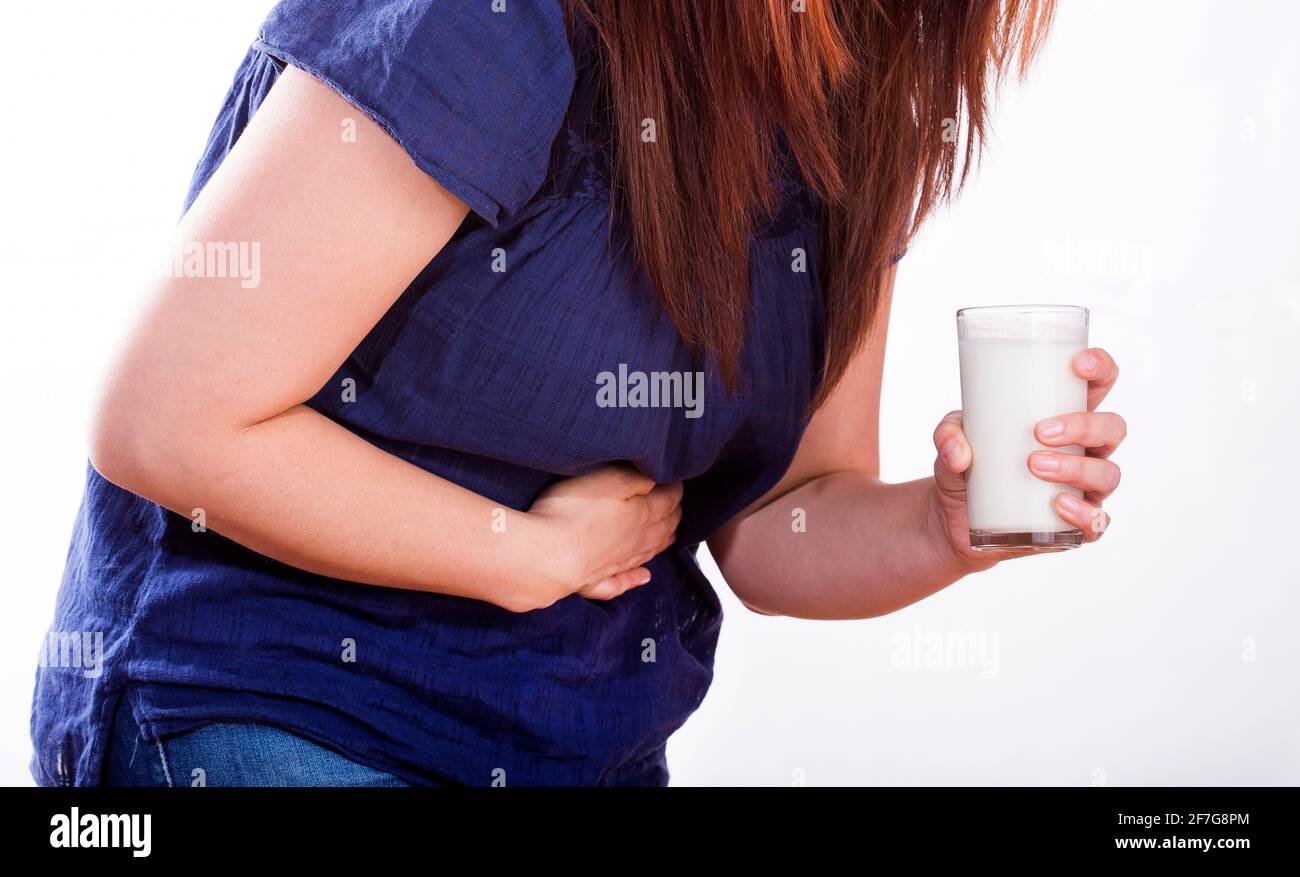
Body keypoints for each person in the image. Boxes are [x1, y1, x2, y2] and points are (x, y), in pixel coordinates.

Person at [31, 0, 1124, 787]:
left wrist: (940, 526)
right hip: (282, 701)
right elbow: (165, 419)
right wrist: (518, 548)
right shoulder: (484, 24)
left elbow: (778, 519)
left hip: (575, 738)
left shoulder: (859, 88)